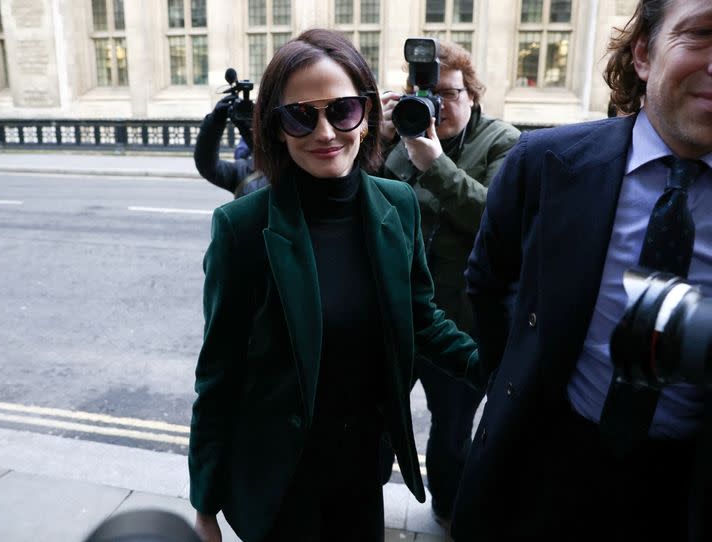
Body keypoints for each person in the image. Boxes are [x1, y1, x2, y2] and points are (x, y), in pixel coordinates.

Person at [188, 28, 482, 542]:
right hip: (282, 481)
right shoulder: (241, 228)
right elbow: (219, 371)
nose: (325, 132)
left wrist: (495, 368)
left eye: (342, 110)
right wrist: (205, 505)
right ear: (276, 128)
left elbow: (421, 316)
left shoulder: (398, 203)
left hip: (363, 471)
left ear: (367, 117)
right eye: (301, 115)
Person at [454, 0, 711, 540]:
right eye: (701, 34)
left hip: (684, 491)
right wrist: (515, 378)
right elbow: (488, 282)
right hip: (548, 465)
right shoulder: (545, 163)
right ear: (643, 53)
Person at [378, 40, 520, 522]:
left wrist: (434, 164)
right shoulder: (403, 132)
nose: (439, 104)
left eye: (450, 93)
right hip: (400, 313)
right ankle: (357, 498)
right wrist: (376, 139)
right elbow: (370, 204)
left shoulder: (502, 141)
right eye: (428, 94)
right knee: (377, 416)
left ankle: (447, 511)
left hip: (459, 322)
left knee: (452, 429)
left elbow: (499, 221)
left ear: (473, 95)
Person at [193, 94, 268, 198]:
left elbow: (274, 168)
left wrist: (248, 134)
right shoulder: (243, 170)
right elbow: (207, 166)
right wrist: (214, 122)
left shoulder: (294, 168)